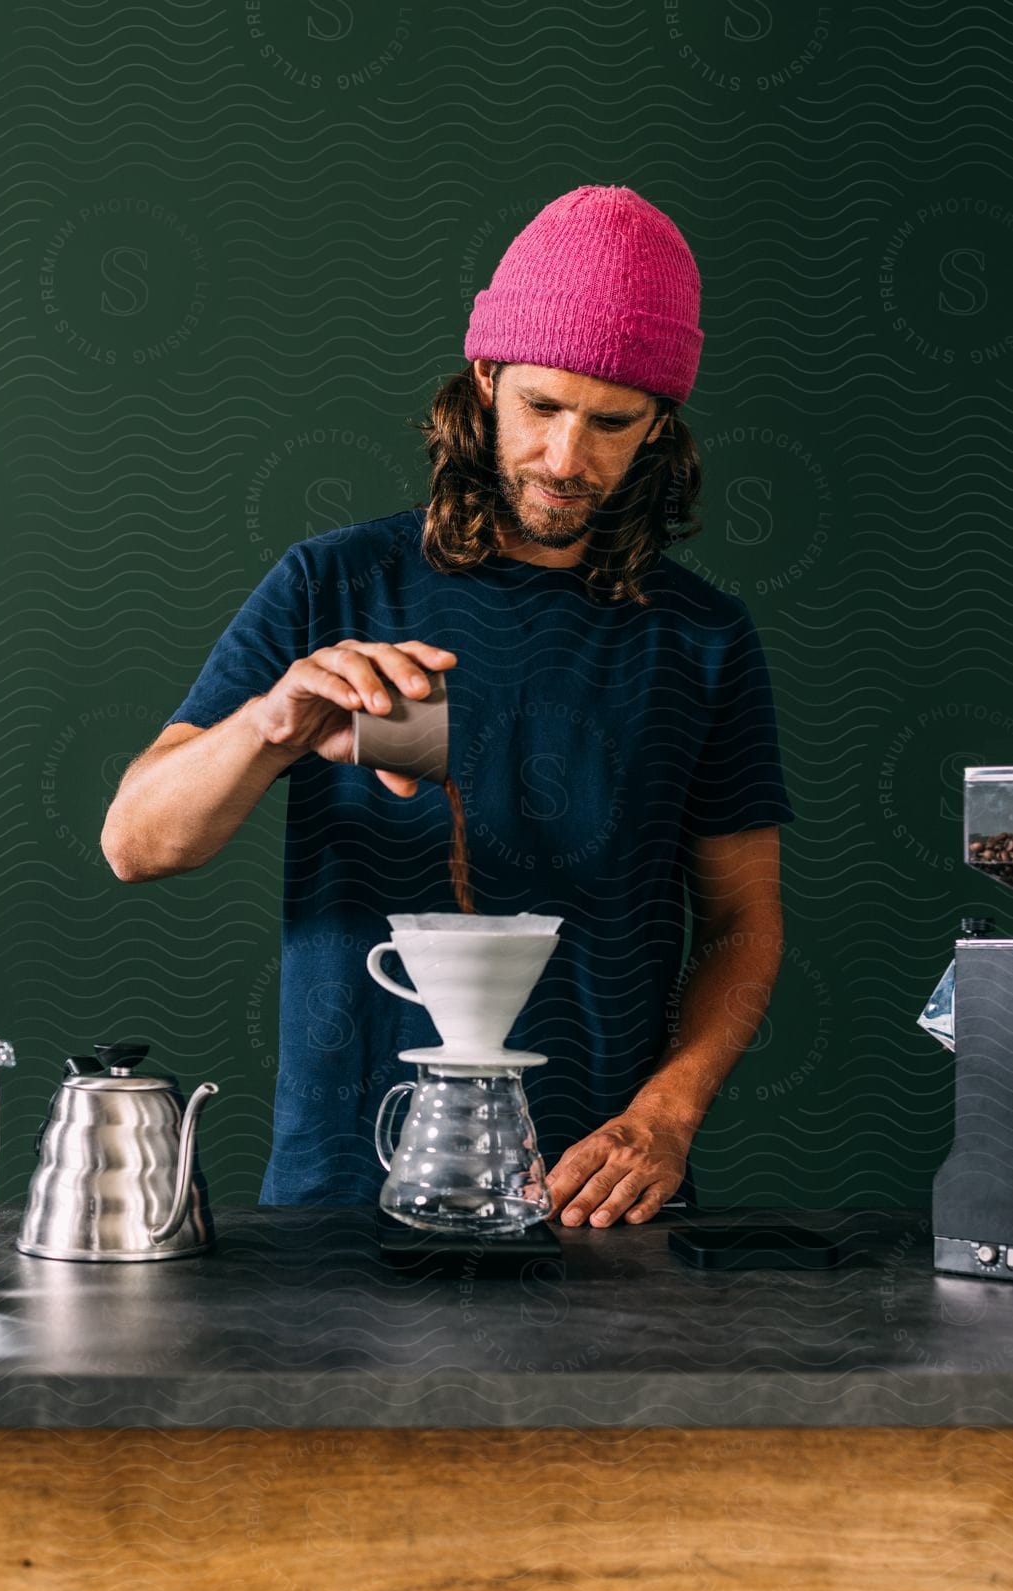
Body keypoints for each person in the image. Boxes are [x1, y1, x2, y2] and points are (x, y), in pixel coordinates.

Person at [101, 185, 794, 1228]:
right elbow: (137, 843)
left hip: (599, 1196)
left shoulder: (698, 636)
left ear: (658, 424)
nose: (567, 458)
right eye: (542, 407)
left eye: (611, 423)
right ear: (485, 378)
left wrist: (666, 1115)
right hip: (341, 1190)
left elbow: (743, 925)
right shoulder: (332, 586)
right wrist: (272, 723)